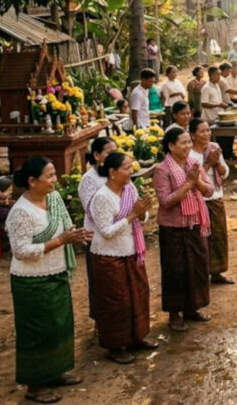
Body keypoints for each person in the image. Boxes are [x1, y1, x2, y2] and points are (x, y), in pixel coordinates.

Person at [6, 157, 91, 403]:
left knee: (60, 325)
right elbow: (21, 251)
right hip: (31, 280)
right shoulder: (21, 212)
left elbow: (66, 226)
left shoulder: (53, 200)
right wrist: (61, 241)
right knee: (38, 332)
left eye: (54, 174)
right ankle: (35, 385)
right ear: (32, 182)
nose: (55, 180)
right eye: (50, 176)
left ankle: (56, 371)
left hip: (57, 272)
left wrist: (76, 234)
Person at [87, 152, 155, 364]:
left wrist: (142, 211)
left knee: (138, 294)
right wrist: (133, 215)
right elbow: (106, 231)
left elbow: (141, 217)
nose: (131, 171)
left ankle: (136, 337)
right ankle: (115, 345)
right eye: (126, 168)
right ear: (112, 172)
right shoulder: (102, 197)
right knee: (117, 301)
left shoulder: (130, 189)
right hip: (109, 255)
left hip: (132, 251)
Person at [153, 127, 213, 332]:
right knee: (175, 270)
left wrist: (197, 182)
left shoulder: (193, 165)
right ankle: (174, 314)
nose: (188, 147)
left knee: (197, 266)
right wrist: (188, 184)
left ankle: (192, 308)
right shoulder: (162, 170)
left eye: (189, 142)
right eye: (183, 143)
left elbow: (210, 189)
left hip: (195, 223)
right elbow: (165, 201)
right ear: (171, 146)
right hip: (173, 228)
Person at [188, 119, 234, 285]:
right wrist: (209, 163)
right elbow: (194, 179)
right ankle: (201, 275)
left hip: (215, 197)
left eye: (208, 130)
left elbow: (225, 172)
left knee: (219, 238)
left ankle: (217, 272)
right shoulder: (189, 154)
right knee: (202, 240)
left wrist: (217, 164)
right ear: (193, 135)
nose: (206, 134)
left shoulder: (214, 147)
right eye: (202, 131)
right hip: (199, 200)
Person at [77, 137, 117, 320]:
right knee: (101, 281)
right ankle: (102, 321)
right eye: (109, 152)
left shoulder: (117, 173)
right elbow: (93, 211)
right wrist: (124, 216)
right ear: (97, 155)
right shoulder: (88, 180)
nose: (113, 155)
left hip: (119, 233)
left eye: (115, 151)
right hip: (97, 236)